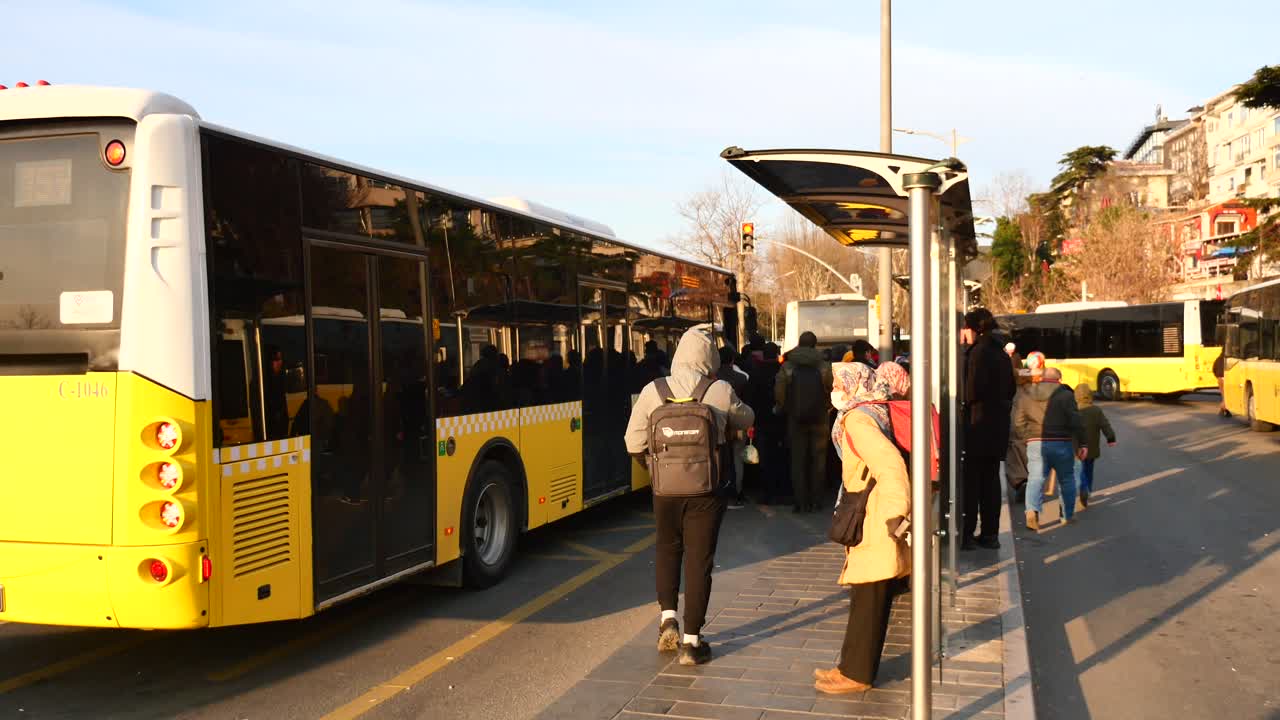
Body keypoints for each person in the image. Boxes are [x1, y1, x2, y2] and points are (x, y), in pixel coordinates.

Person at [625, 325, 754, 666]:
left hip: (664, 489)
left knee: (667, 549)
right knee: (700, 560)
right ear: (708, 357)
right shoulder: (719, 389)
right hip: (706, 489)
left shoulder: (653, 390)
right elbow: (748, 417)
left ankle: (667, 618)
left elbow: (632, 442)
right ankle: (692, 643)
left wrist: (655, 469)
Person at [815, 363, 911, 694]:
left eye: (840, 384)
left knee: (869, 596)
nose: (835, 391)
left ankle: (857, 675)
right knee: (865, 595)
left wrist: (897, 511)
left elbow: (889, 463)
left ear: (854, 385)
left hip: (877, 513)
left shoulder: (858, 419)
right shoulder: (874, 409)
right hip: (873, 509)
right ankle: (849, 667)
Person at [962, 309, 1015, 550]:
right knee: (991, 482)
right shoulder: (1001, 352)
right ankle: (990, 534)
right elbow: (1011, 388)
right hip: (998, 428)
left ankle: (968, 533)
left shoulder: (978, 353)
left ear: (974, 328)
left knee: (972, 483)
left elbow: (971, 391)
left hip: (978, 426)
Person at [1015, 367, 1086, 531]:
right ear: (1059, 380)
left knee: (1035, 479)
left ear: (1041, 378)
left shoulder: (1027, 395)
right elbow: (1076, 421)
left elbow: (1018, 422)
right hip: (1062, 442)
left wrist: (1027, 438)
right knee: (1067, 479)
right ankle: (1067, 515)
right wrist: (1082, 443)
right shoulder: (1066, 395)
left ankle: (1032, 512)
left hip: (1036, 443)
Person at [775, 331, 834, 513]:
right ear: (815, 345)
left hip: (796, 418)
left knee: (798, 460)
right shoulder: (824, 366)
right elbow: (832, 389)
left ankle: (800, 501)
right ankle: (816, 500)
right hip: (820, 418)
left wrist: (783, 407)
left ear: (799, 344)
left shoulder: (788, 365)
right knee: (818, 460)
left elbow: (780, 391)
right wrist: (827, 407)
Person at [1073, 383, 1116, 509]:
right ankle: (1088, 490)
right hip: (1091, 447)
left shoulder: (1073, 409)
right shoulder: (1096, 410)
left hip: (1077, 447)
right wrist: (1111, 438)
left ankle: (1083, 487)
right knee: (1089, 469)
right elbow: (1105, 425)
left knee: (1079, 468)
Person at [718, 346, 751, 509]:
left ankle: (722, 492)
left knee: (721, 458)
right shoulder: (742, 378)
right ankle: (737, 493)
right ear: (732, 360)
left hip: (719, 424)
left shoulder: (712, 379)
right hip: (738, 424)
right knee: (738, 458)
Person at [1213, 352, 1230, 418]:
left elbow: (1213, 369)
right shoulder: (1228, 360)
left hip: (1220, 379)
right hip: (1226, 378)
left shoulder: (1218, 359)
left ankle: (1224, 410)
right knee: (1227, 395)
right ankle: (1224, 409)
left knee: (1224, 395)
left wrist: (1218, 377)